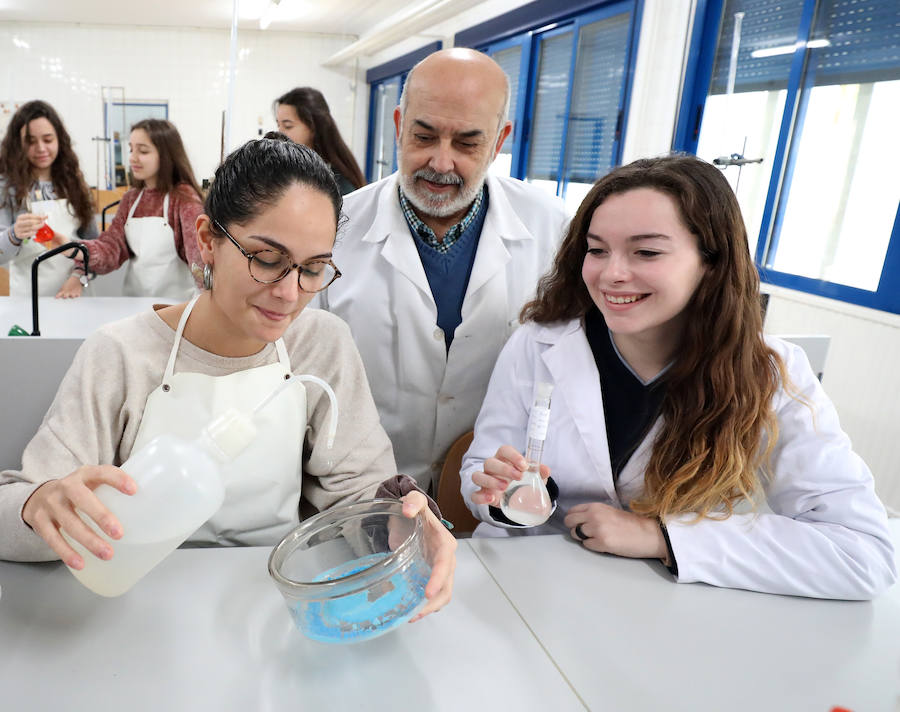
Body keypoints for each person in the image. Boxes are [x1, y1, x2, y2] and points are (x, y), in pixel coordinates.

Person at [0, 136, 455, 618]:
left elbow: (361, 497)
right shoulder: (122, 354)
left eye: (314, 268)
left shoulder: (321, 344)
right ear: (206, 240)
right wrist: (39, 504)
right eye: (267, 258)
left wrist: (400, 525)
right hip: (135, 610)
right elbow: (15, 507)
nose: (289, 293)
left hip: (273, 607)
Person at [460, 154, 897, 601]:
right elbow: (482, 469)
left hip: (669, 605)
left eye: (646, 251)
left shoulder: (770, 373)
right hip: (534, 588)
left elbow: (862, 553)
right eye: (596, 249)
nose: (612, 273)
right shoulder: (538, 344)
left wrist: (663, 537)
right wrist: (512, 498)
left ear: (711, 261)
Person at [314, 48, 569, 492]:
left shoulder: (557, 230)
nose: (441, 162)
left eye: (467, 142)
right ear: (398, 125)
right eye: (424, 136)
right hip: (360, 492)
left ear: (499, 140)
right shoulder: (333, 229)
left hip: (492, 495)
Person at [56, 118, 204, 300]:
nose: (133, 158)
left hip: (175, 306)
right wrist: (76, 250)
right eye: (131, 149)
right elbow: (112, 249)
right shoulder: (131, 199)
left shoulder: (184, 199)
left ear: (166, 155)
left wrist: (206, 304)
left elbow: (199, 261)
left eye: (143, 151)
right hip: (135, 302)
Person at [0, 100, 98, 295]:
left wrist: (79, 276)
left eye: (48, 139)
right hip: (29, 298)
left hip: (75, 294)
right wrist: (14, 234)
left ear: (59, 140)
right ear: (18, 144)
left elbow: (96, 248)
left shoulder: (76, 184)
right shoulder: (6, 187)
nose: (41, 148)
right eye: (31, 141)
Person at [274, 87, 365, 195]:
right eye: (278, 125)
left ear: (313, 127)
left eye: (288, 126)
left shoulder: (338, 185)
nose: (279, 133)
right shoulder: (290, 169)